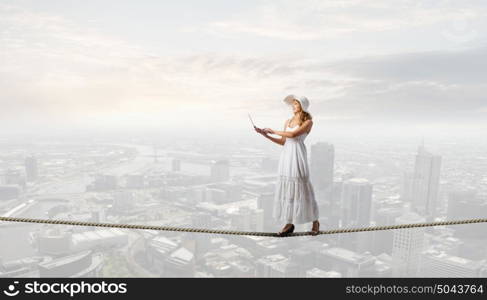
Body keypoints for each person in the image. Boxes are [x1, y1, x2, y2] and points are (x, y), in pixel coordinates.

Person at [255, 94, 320, 236]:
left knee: (302, 187)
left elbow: (293, 135)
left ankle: (315, 221)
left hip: (297, 156)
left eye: (295, 103)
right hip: (286, 156)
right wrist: (265, 135)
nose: (293, 106)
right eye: (293, 104)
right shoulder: (287, 121)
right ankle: (289, 223)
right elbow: (283, 141)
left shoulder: (308, 122)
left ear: (302, 106)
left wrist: (272, 130)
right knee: (288, 190)